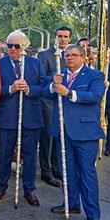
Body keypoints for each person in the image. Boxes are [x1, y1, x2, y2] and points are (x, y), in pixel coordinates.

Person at [44, 44, 105, 220]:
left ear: (83, 57)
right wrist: (54, 87)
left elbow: (95, 96)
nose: (69, 58)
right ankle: (71, 204)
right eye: (67, 55)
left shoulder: (95, 75)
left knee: (87, 173)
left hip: (85, 132)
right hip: (63, 131)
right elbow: (46, 93)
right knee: (67, 171)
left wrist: (69, 93)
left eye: (74, 55)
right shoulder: (60, 74)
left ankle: (93, 215)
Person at [0, 30, 47, 206]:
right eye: (10, 46)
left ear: (24, 47)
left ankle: (29, 189)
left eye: (17, 46)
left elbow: (44, 87)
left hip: (31, 116)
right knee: (5, 154)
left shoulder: (35, 63)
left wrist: (29, 89)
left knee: (30, 155)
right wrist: (11, 89)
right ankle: (2, 185)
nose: (13, 49)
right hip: (8, 117)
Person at [36, 26, 72, 187]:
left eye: (65, 36)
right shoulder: (45, 55)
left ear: (69, 38)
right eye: (60, 36)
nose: (62, 39)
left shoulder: (71, 55)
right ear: (55, 37)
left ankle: (57, 168)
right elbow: (41, 78)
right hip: (49, 103)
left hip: (65, 103)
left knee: (59, 137)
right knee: (47, 138)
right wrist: (55, 78)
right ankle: (46, 171)